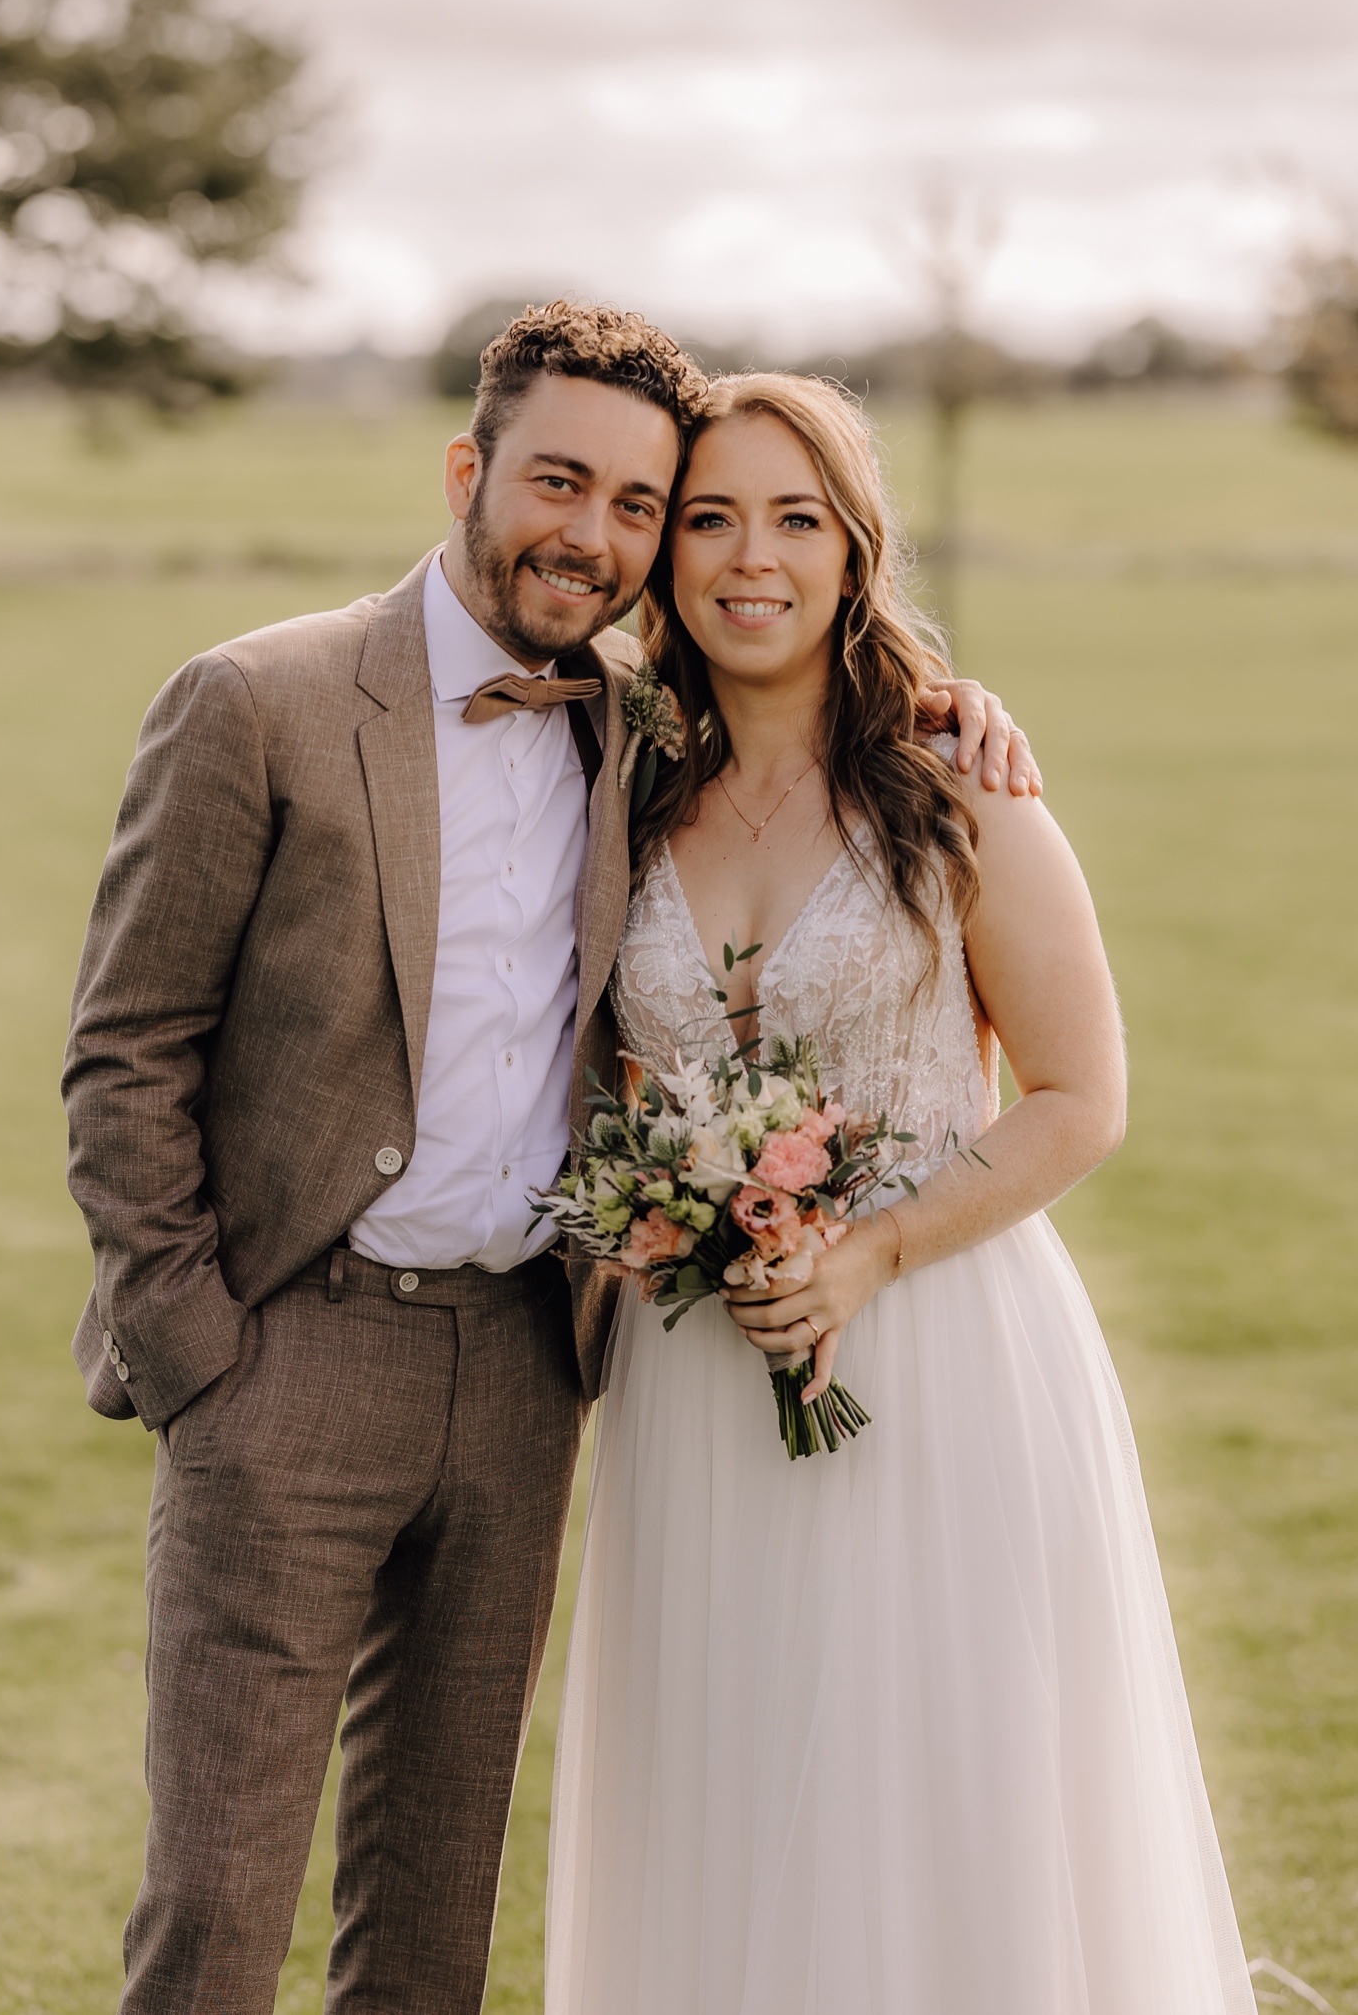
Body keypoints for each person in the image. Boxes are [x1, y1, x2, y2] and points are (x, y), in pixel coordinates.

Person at [62, 302, 1037, 2015]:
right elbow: (128, 1049)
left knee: (433, 1918)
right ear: (471, 471)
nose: (592, 536)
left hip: (534, 1368)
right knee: (217, 1909)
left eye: (637, 505)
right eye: (558, 483)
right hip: (288, 1355)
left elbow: (806, 698)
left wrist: (940, 695)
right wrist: (193, 1350)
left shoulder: (639, 731)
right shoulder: (259, 700)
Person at [545, 371, 1257, 2015]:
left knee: (944, 1780)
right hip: (701, 1376)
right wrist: (679, 1212)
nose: (750, 560)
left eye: (797, 518)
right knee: (722, 1781)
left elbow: (1082, 1098)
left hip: (943, 1357)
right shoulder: (622, 793)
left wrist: (867, 1253)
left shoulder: (957, 791)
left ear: (857, 551)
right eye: (709, 517)